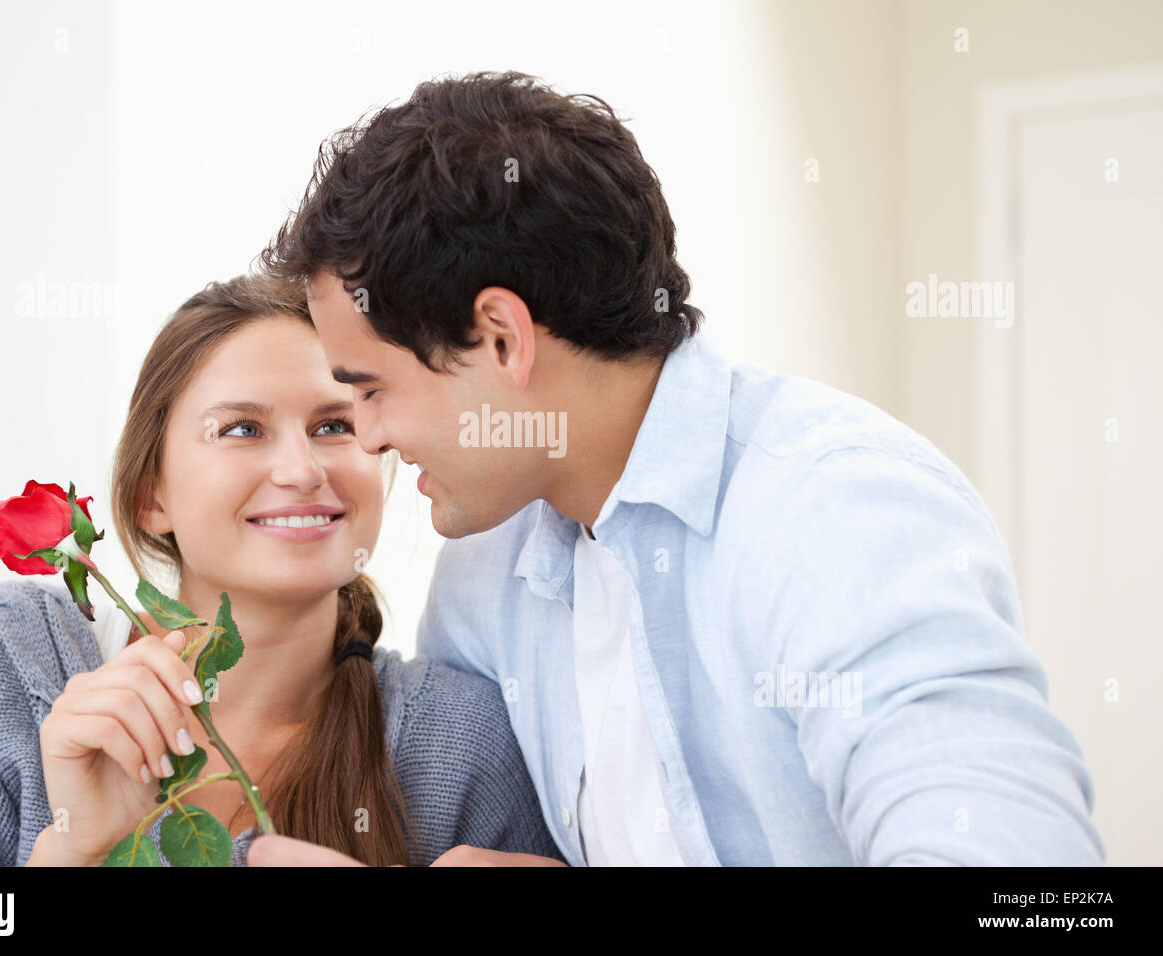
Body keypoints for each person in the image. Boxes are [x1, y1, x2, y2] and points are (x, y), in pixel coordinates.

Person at [247, 70, 1106, 866]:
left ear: (502, 338)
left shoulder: (836, 511)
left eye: (373, 390)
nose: (365, 438)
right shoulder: (483, 580)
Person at [0, 275, 565, 867]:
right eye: (241, 429)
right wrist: (70, 850)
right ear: (151, 497)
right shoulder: (10, 660)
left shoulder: (457, 738)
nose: (302, 470)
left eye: (333, 425)